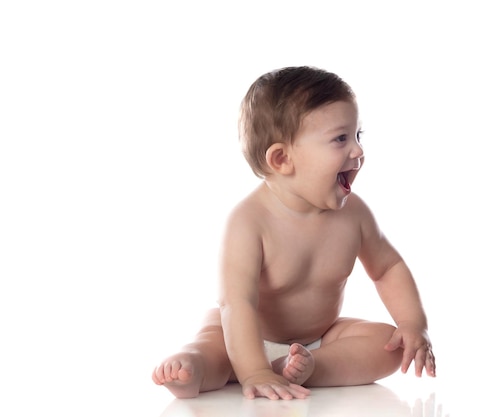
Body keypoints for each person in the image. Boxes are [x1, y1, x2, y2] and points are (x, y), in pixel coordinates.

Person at [152, 66, 436, 400]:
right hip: (245, 334)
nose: (358, 151)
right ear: (282, 158)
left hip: (321, 335)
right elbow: (237, 303)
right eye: (340, 139)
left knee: (389, 344)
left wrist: (413, 324)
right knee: (214, 344)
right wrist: (253, 369)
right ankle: (197, 369)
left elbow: (388, 268)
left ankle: (310, 367)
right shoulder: (249, 222)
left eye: (358, 136)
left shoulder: (354, 213)